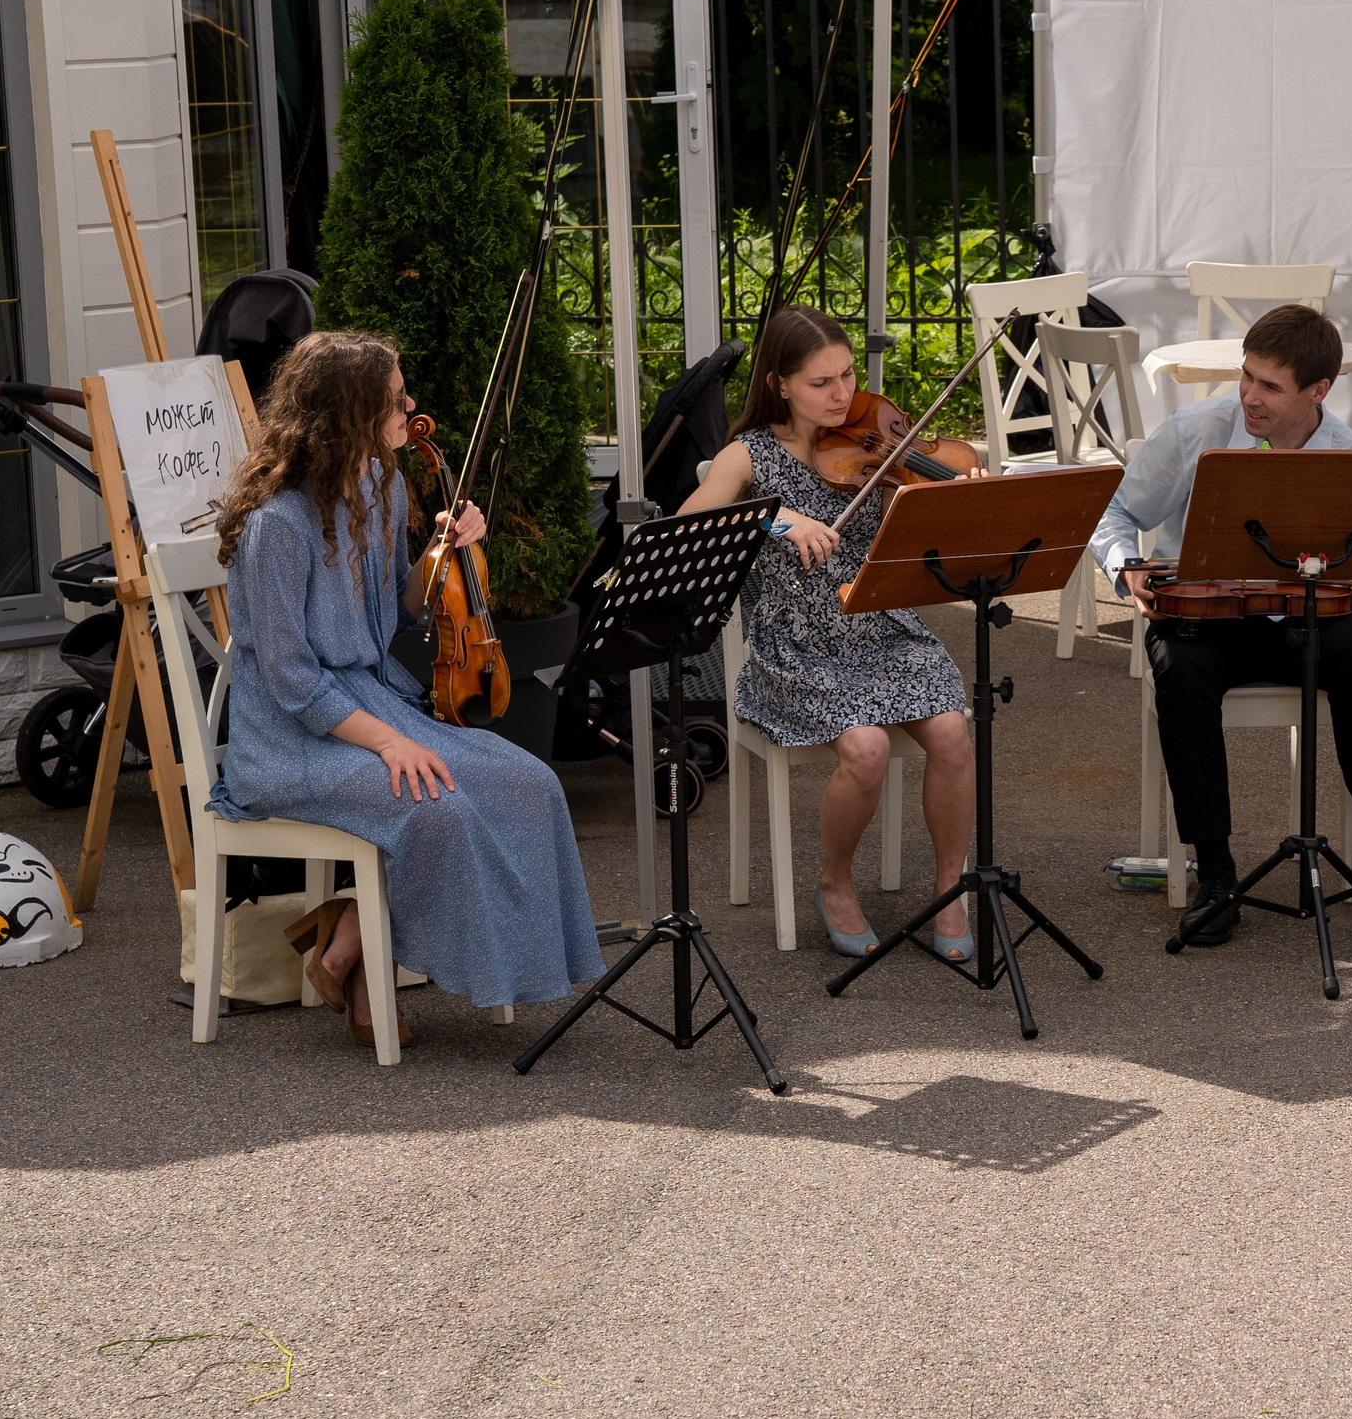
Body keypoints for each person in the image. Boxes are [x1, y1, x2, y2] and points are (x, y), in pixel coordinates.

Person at [212, 330, 607, 1045]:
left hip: (375, 705)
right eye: (396, 398)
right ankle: (365, 955)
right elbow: (291, 679)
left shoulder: (382, 485)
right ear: (351, 414)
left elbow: (398, 610)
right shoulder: (277, 528)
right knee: (437, 805)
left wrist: (443, 553)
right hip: (290, 741)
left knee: (529, 783)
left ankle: (355, 931)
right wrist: (390, 740)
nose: (412, 406)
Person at [1091, 304, 1352, 946]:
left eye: (1270, 386)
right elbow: (1113, 512)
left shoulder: (1351, 459)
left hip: (1305, 622)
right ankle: (1216, 873)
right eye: (1247, 377)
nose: (1249, 395)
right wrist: (1126, 567)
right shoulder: (1198, 430)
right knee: (1179, 668)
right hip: (1208, 619)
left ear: (1318, 391)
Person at [680, 306, 977, 959]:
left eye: (847, 375)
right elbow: (691, 522)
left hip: (881, 622)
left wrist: (957, 495)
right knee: (866, 749)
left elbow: (933, 545)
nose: (843, 395)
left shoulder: (878, 440)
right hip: (794, 642)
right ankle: (835, 883)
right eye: (821, 383)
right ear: (780, 384)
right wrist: (774, 519)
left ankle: (952, 888)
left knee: (953, 730)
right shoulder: (748, 455)